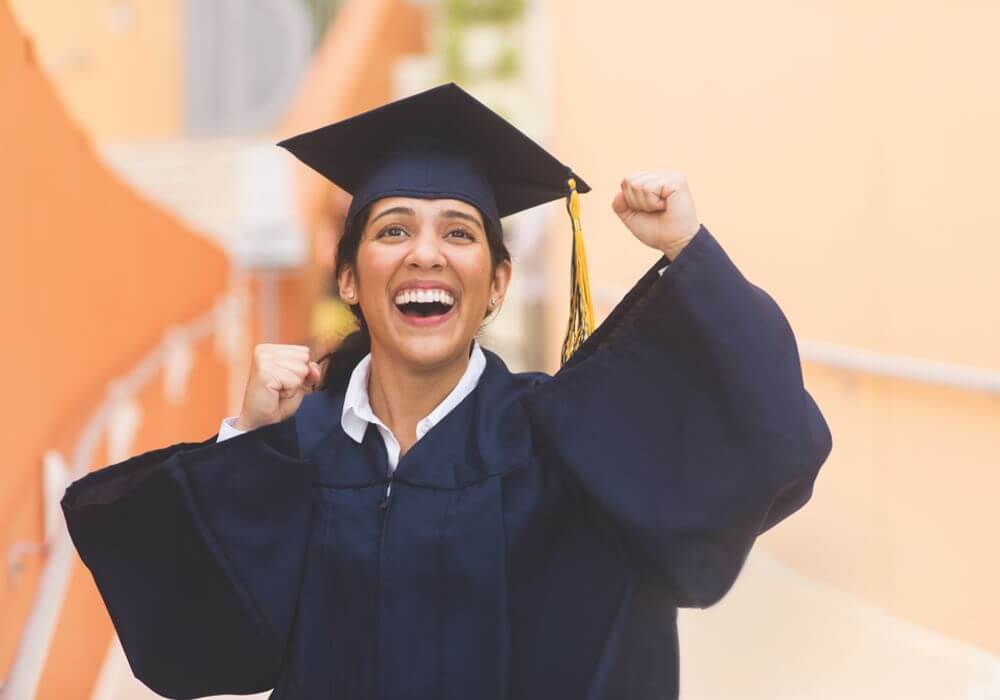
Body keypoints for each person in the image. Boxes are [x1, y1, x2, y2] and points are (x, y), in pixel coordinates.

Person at [62, 84, 831, 700]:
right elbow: (198, 644)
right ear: (348, 279)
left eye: (459, 232)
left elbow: (769, 444)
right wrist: (248, 445)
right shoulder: (299, 448)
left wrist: (685, 250)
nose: (425, 252)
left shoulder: (568, 444)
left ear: (495, 284)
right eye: (392, 230)